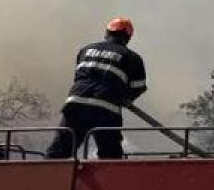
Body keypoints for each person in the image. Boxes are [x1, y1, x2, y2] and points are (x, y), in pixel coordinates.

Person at [46, 17, 147, 160]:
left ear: (107, 33)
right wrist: (124, 99)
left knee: (59, 151)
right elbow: (138, 87)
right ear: (128, 38)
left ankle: (41, 179)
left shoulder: (85, 49)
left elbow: (79, 76)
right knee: (110, 156)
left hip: (76, 103)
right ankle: (110, 181)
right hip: (106, 109)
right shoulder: (132, 58)